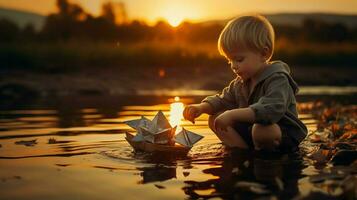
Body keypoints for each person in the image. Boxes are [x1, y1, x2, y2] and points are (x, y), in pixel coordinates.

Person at [183, 14, 307, 153]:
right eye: (230, 61)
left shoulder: (277, 79)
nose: (233, 66)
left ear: (263, 54)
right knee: (215, 119)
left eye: (239, 59)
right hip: (252, 130)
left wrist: (232, 115)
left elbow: (270, 111)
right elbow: (223, 100)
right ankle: (242, 152)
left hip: (282, 133)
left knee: (262, 130)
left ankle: (267, 160)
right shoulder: (240, 83)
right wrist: (202, 107)